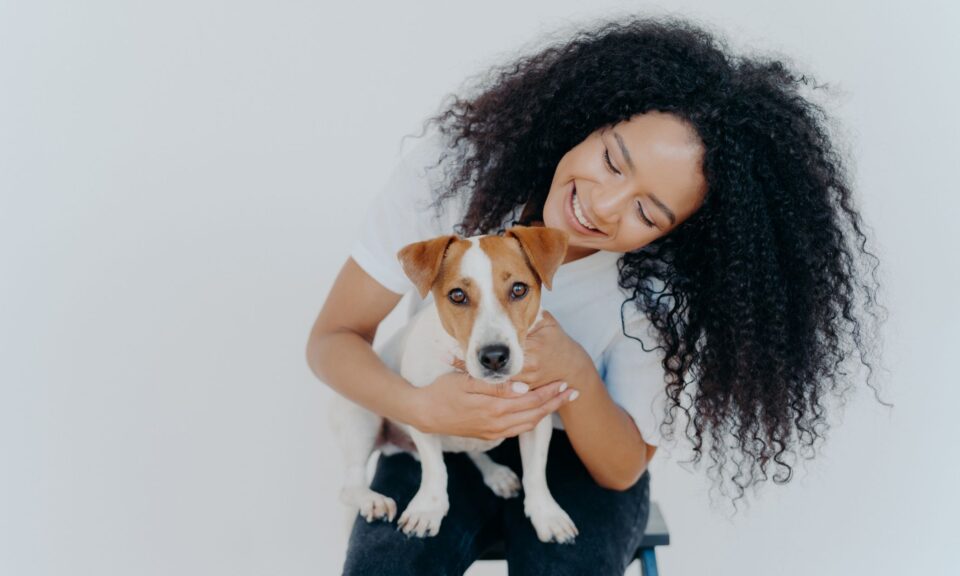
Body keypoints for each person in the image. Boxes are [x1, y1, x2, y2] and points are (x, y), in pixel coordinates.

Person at [305, 16, 884, 576]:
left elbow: (620, 468)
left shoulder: (661, 292)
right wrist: (417, 407)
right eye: (611, 160)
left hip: (577, 446)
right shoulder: (454, 173)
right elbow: (333, 339)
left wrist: (572, 368)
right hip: (436, 428)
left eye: (646, 212)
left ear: (678, 234)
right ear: (589, 115)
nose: (603, 206)